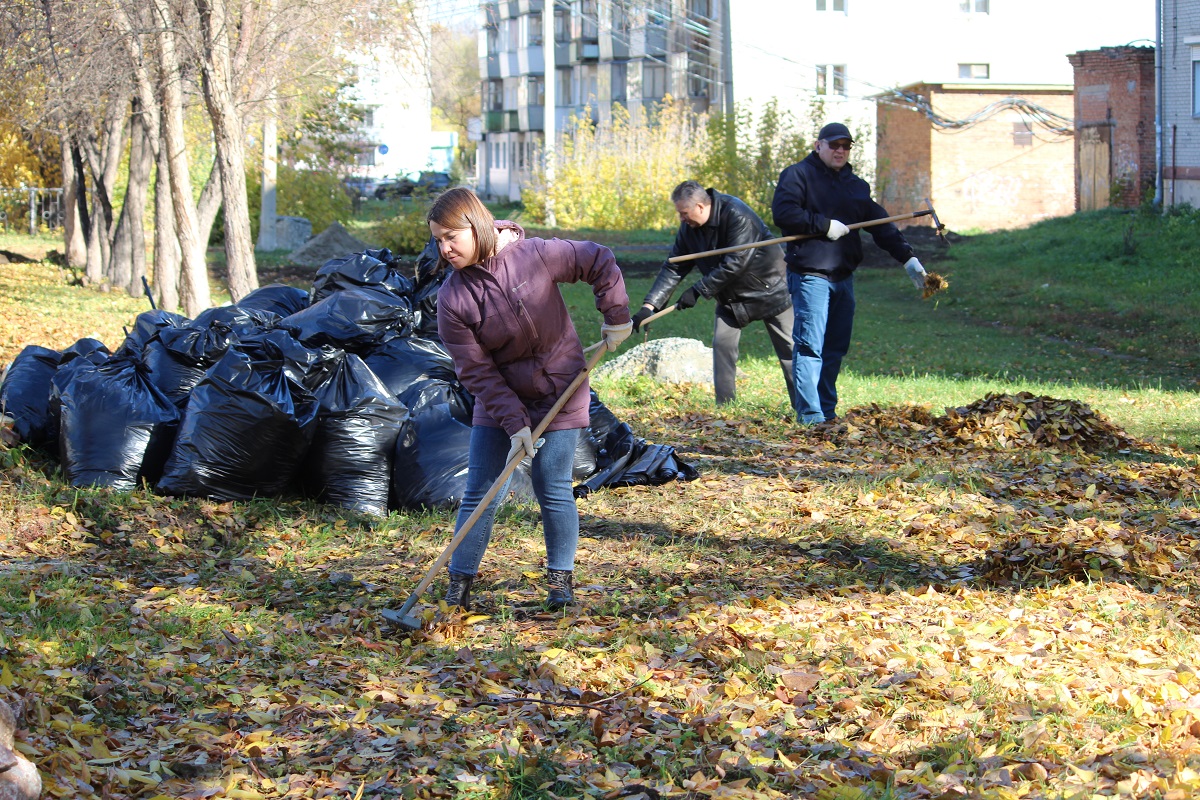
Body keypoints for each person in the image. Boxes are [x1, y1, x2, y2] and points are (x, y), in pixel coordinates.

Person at [405, 187, 631, 614]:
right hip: (499, 400)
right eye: (438, 239)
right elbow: (475, 370)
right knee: (482, 492)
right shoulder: (453, 298)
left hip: (560, 390)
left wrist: (616, 316)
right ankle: (458, 588)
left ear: (476, 226)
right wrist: (513, 422)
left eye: (452, 236)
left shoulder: (535, 256)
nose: (444, 248)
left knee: (553, 486)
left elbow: (597, 259)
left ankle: (560, 585)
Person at [771, 122, 929, 425]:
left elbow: (880, 224)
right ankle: (810, 415)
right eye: (834, 145)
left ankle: (826, 411)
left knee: (834, 348)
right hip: (810, 275)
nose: (840, 151)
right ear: (819, 146)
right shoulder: (797, 175)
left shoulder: (855, 186)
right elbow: (785, 213)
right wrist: (823, 225)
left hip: (843, 277)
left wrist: (908, 258)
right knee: (809, 346)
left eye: (846, 146)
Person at [631, 181, 797, 408]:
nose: (681, 219)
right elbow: (674, 267)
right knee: (722, 347)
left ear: (700, 206)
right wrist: (649, 307)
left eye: (684, 213)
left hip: (770, 288)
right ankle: (726, 408)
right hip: (730, 298)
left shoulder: (737, 214)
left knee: (790, 351)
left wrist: (698, 290)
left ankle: (806, 408)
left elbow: (736, 262)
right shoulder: (689, 230)